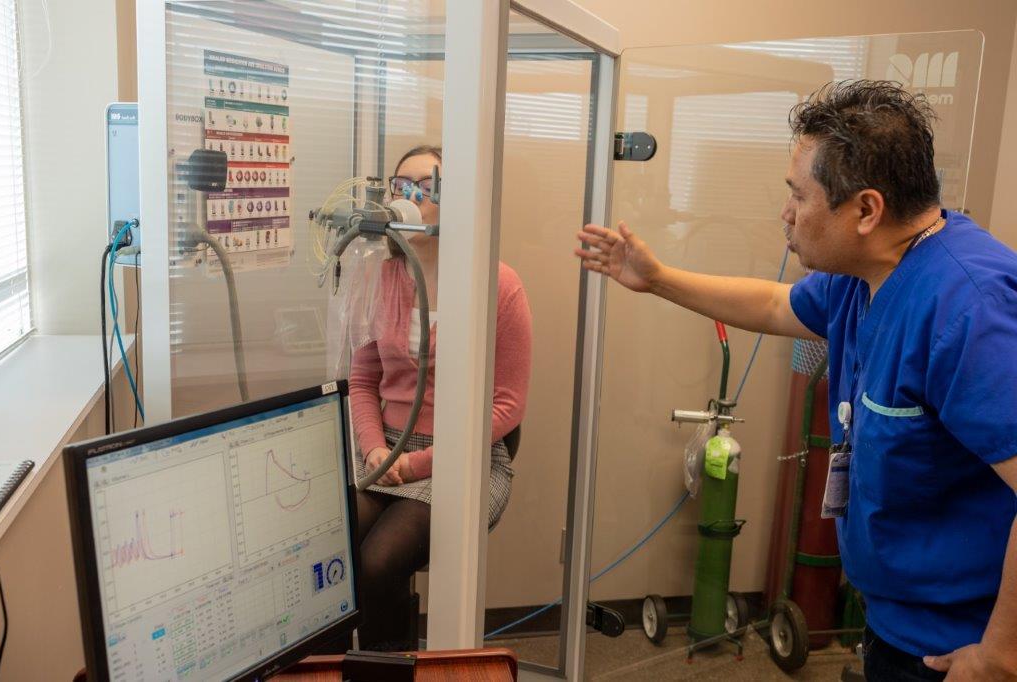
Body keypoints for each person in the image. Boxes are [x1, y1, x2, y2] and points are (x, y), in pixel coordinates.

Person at [575, 81, 1017, 682]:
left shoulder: (969, 308)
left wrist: (999, 656)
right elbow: (780, 307)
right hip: (896, 624)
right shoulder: (866, 269)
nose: (785, 214)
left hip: (961, 647)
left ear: (866, 210)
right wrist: (656, 278)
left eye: (797, 196)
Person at [349, 145, 533, 651]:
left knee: (377, 562)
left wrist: (415, 465)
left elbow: (506, 407)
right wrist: (373, 451)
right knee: (331, 549)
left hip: (463, 456)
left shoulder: (499, 286)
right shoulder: (382, 278)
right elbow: (362, 381)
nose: (409, 198)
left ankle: (388, 672)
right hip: (383, 450)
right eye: (400, 186)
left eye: (425, 187)